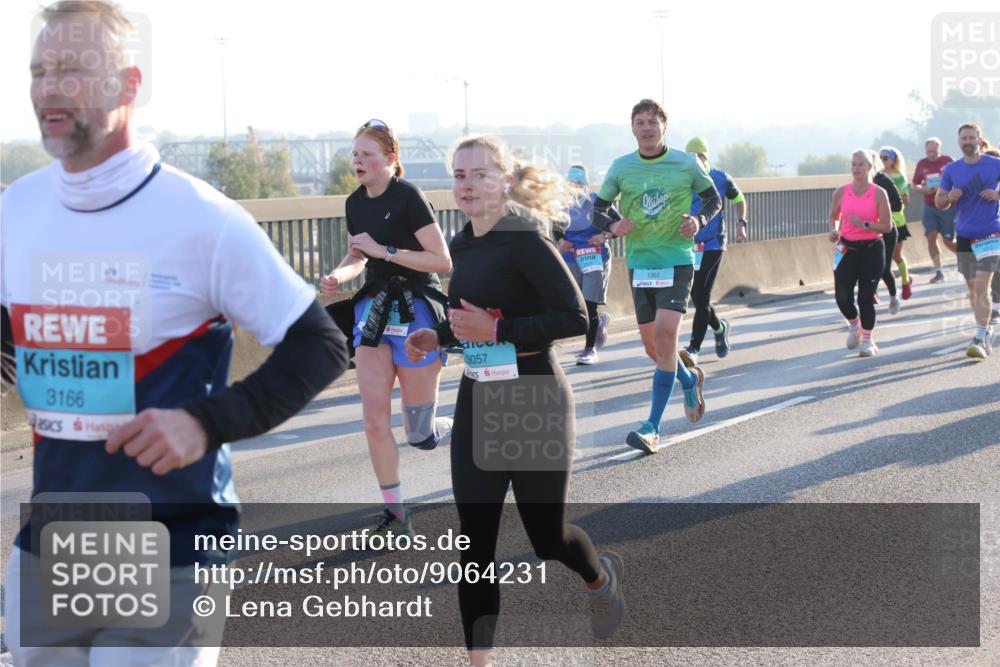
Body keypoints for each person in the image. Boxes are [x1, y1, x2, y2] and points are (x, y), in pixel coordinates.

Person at [1, 2, 349, 665]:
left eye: (72, 69)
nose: (48, 87)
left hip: (172, 543)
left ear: (129, 86)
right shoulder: (15, 209)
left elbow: (320, 343)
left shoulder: (201, 218)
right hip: (51, 542)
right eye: (39, 70)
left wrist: (204, 420)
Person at [405, 136, 625, 667]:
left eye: (479, 174)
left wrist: (499, 327)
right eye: (459, 175)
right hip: (479, 400)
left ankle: (598, 577)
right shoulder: (462, 245)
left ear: (504, 181)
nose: (467, 184)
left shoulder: (525, 239)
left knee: (547, 539)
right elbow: (470, 322)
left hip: (535, 400)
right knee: (474, 549)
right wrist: (441, 335)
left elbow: (577, 318)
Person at [320, 119, 453, 539]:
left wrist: (388, 251)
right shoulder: (354, 203)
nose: (358, 161)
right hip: (374, 312)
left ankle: (461, 424)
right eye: (354, 154)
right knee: (374, 421)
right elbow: (358, 256)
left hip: (416, 309)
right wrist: (338, 277)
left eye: (367, 155)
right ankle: (396, 515)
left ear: (390, 160)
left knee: (419, 435)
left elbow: (441, 261)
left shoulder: (409, 197)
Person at [589, 99, 721, 454]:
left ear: (665, 126)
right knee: (653, 348)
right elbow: (597, 210)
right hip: (640, 264)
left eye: (653, 121)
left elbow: (713, 200)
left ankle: (652, 427)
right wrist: (613, 224)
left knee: (665, 337)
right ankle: (689, 377)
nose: (647, 128)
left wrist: (699, 221)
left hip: (676, 260)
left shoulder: (686, 163)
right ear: (632, 128)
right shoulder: (621, 167)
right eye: (640, 122)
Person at [935, 123, 1000, 359]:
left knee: (982, 285)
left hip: (991, 234)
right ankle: (986, 328)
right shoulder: (952, 169)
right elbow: (940, 201)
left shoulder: (995, 164)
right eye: (964, 138)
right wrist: (948, 197)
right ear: (959, 141)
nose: (968, 141)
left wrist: (997, 194)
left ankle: (980, 337)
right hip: (964, 235)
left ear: (980, 140)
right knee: (974, 290)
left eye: (972, 137)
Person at [682, 136, 749, 364]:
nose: (694, 161)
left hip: (712, 244)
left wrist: (742, 223)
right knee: (695, 295)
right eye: (689, 156)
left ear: (705, 157)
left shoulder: (720, 178)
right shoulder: (682, 179)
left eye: (698, 156)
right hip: (689, 245)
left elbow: (739, 198)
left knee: (702, 297)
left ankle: (694, 348)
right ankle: (719, 328)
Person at [827, 150, 894, 356]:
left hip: (872, 248)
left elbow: (887, 226)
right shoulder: (841, 192)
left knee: (865, 296)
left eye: (860, 165)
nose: (856, 169)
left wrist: (864, 224)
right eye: (853, 165)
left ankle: (868, 340)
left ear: (869, 167)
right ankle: (855, 325)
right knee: (842, 296)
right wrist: (833, 230)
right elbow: (833, 216)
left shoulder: (878, 193)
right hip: (846, 248)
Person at [554, 164, 618, 365]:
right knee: (576, 306)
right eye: (571, 183)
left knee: (589, 304)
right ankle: (599, 323)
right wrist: (562, 241)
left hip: (595, 258)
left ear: (585, 184)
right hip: (572, 259)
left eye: (578, 183)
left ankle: (589, 350)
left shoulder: (597, 201)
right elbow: (556, 228)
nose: (574, 187)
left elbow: (618, 225)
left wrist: (603, 235)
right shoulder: (562, 203)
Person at [912, 137, 957, 283]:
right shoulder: (922, 164)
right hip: (930, 206)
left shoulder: (948, 161)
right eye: (929, 151)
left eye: (934, 151)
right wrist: (923, 189)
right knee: (931, 236)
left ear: (939, 150)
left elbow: (959, 179)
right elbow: (914, 185)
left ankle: (965, 258)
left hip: (947, 206)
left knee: (948, 241)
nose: (931, 154)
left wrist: (945, 189)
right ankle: (939, 271)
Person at [878, 146, 914, 299]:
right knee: (879, 258)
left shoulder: (898, 177)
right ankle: (873, 290)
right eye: (880, 158)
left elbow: (906, 200)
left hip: (897, 220)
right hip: (880, 221)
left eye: (885, 158)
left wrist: (897, 196)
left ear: (893, 160)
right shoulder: (876, 176)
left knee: (896, 256)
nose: (882, 161)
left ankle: (906, 281)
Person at [873, 161, 904, 315]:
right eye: (855, 165)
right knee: (864, 267)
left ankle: (893, 296)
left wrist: (881, 206)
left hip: (886, 230)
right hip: (865, 231)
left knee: (883, 267)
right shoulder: (854, 186)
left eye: (863, 164)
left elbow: (898, 205)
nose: (858, 168)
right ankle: (869, 295)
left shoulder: (883, 181)